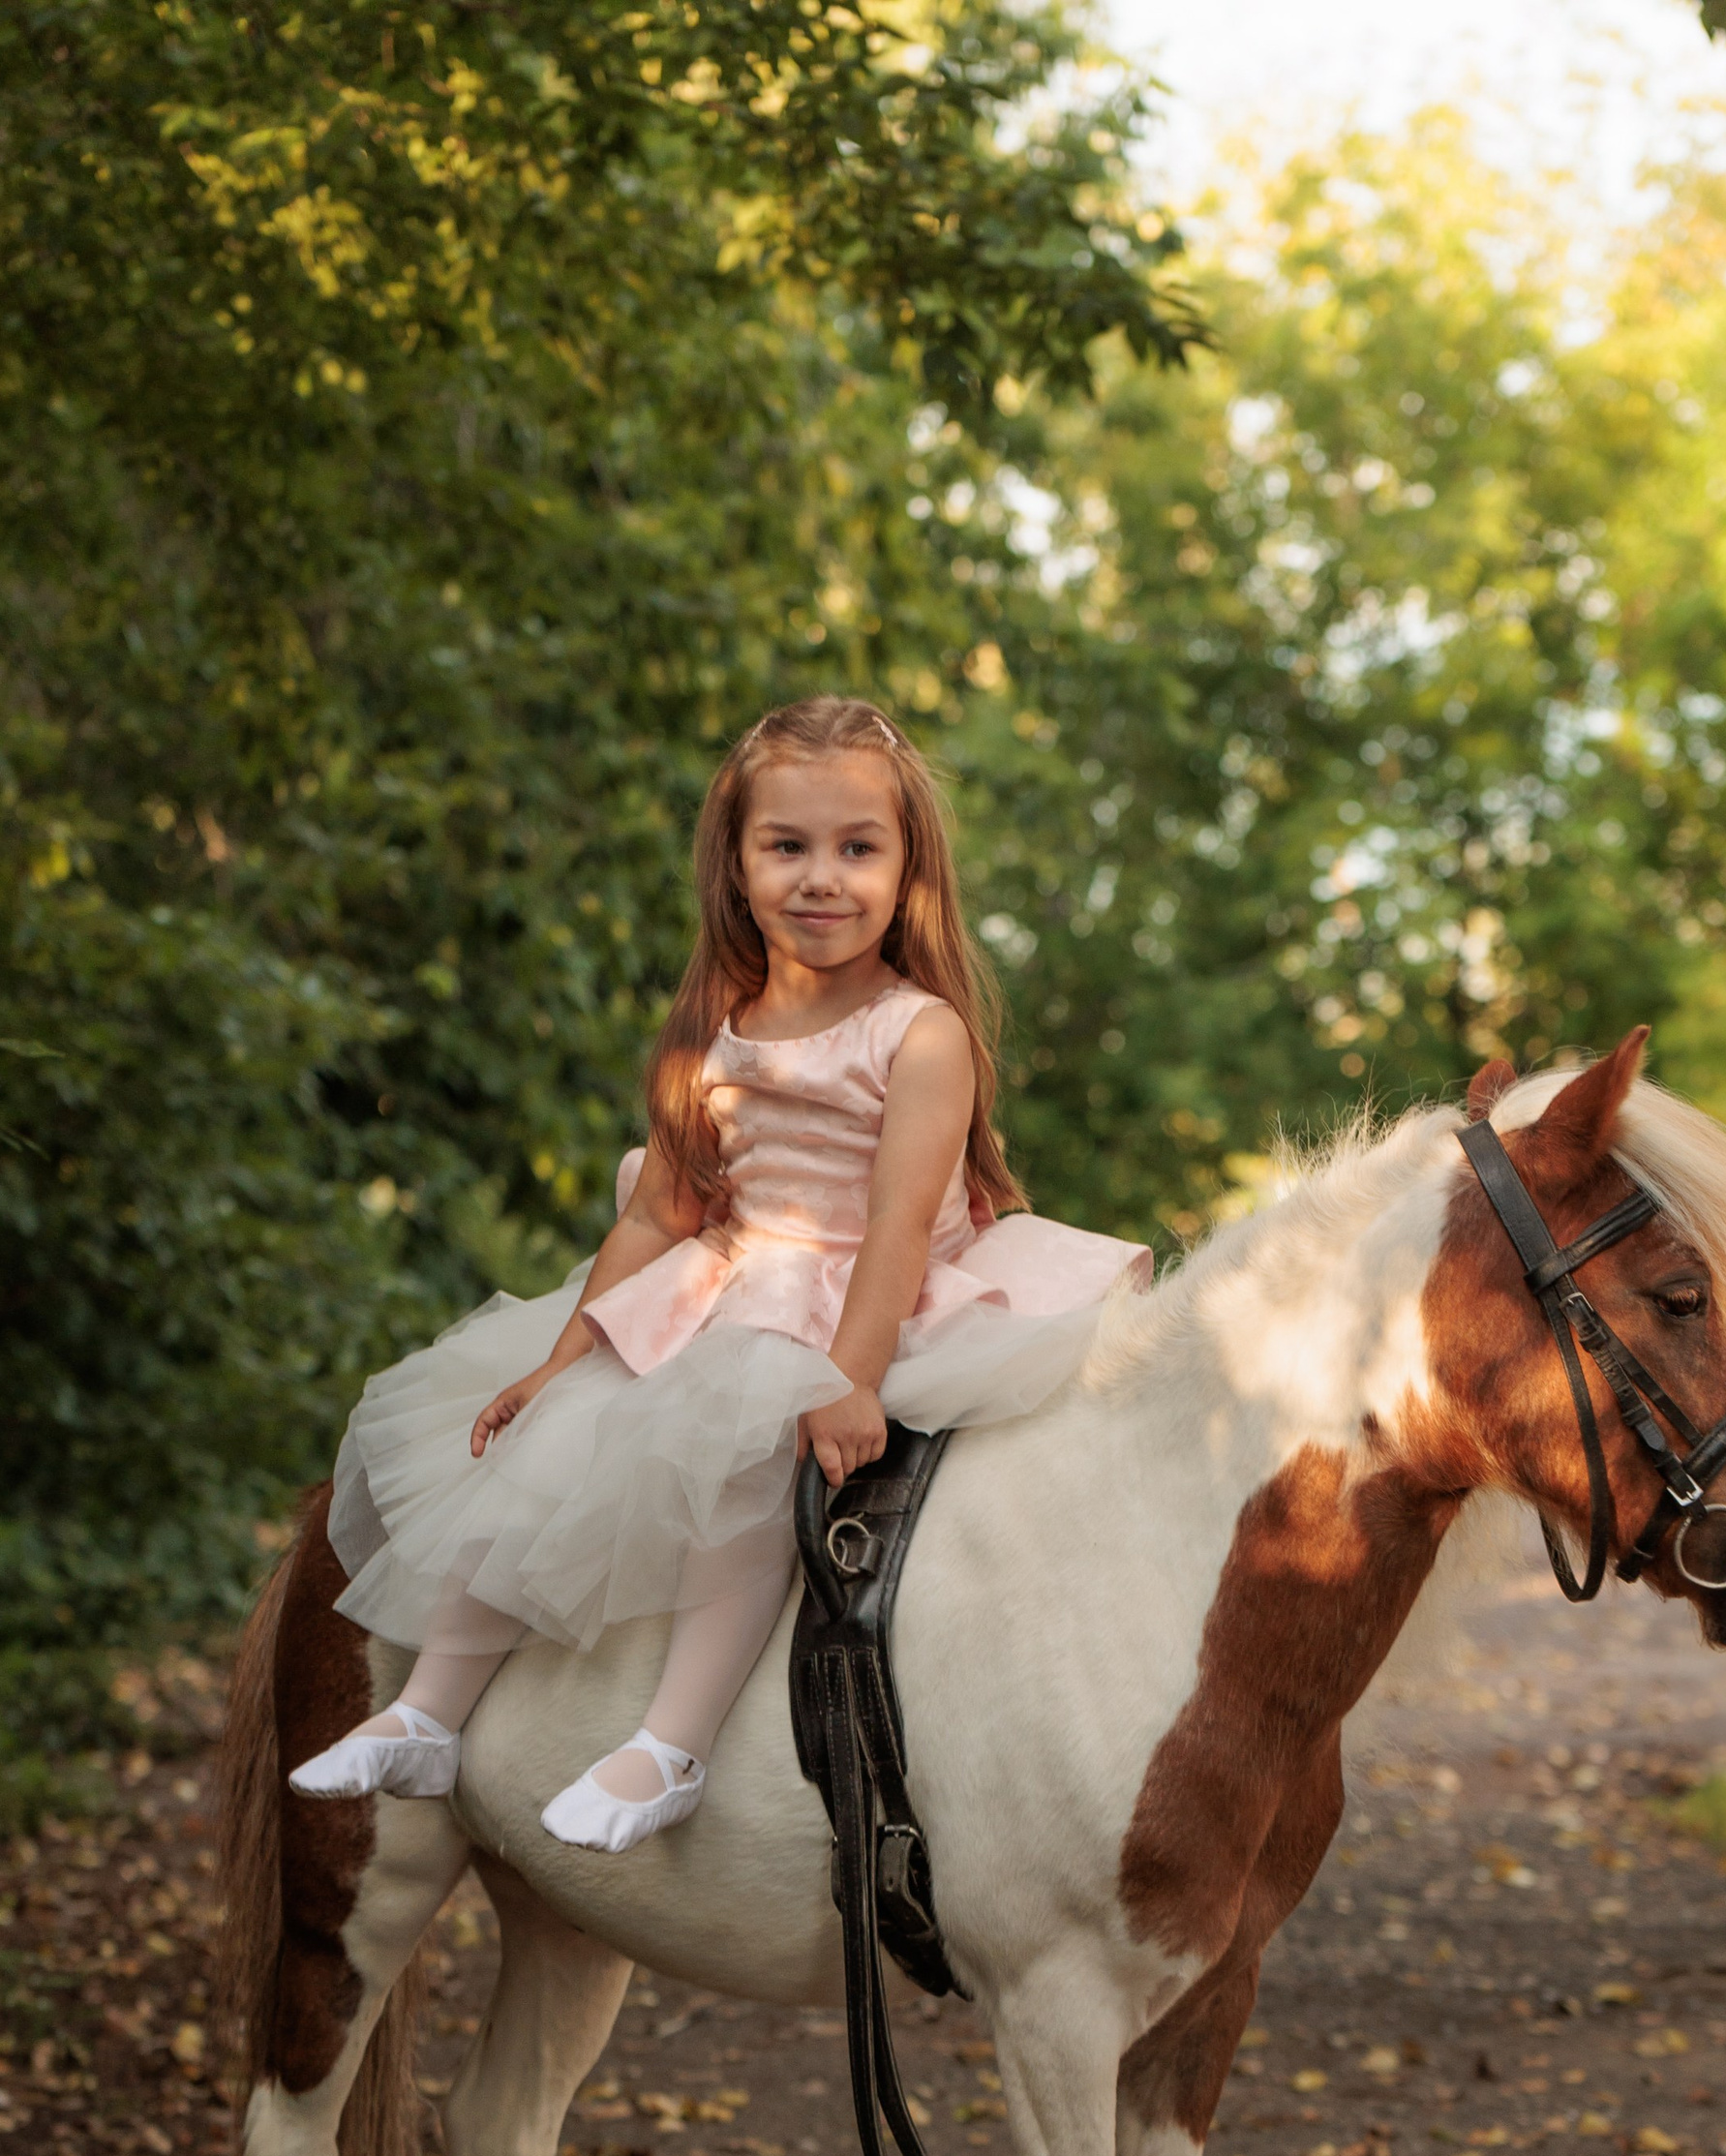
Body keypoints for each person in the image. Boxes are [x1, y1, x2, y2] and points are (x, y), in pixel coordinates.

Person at [289, 695, 1151, 1850]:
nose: (821, 878)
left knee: (747, 1473)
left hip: (865, 1294)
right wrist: (559, 1357)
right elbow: (658, 1211)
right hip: (731, 1275)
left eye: (858, 848)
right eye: (785, 846)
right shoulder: (716, 1024)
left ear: (908, 871)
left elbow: (898, 1224)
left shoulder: (920, 1032)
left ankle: (670, 1745)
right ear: (735, 863)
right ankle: (427, 1712)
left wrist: (849, 1377)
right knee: (554, 1441)